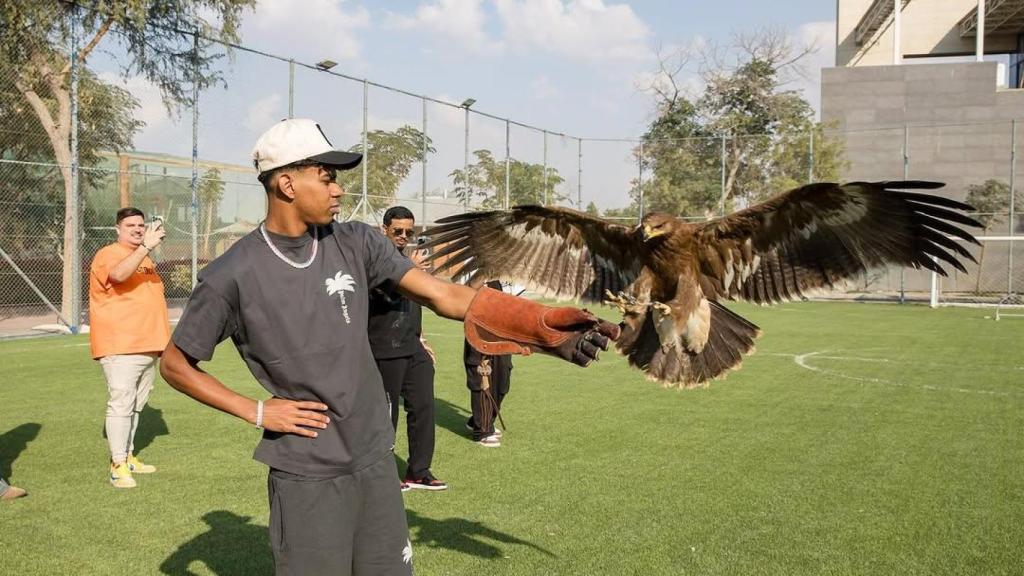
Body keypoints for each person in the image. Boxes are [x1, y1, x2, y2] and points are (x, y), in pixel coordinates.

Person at [159, 118, 618, 576]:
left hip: (376, 456)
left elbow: (442, 295)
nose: (338, 189)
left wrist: (539, 324)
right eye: (326, 177)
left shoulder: (356, 241)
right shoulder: (232, 273)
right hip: (307, 470)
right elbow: (176, 365)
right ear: (287, 184)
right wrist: (257, 411)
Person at [89, 207, 169, 489]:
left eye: (140, 225)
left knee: (136, 406)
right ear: (118, 229)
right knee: (122, 403)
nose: (137, 229)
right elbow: (119, 275)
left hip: (148, 344)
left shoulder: (145, 258)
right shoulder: (108, 253)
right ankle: (117, 464)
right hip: (121, 345)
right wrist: (146, 246)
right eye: (130, 225)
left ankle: (128, 456)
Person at [369, 206, 445, 491]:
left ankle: (419, 471)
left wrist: (421, 339)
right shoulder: (374, 260)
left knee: (424, 408)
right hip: (384, 348)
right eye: (397, 231)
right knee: (386, 415)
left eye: (409, 232)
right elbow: (381, 297)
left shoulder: (407, 262)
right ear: (384, 230)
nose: (403, 236)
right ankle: (385, 473)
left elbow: (415, 304)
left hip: (412, 347)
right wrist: (410, 270)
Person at [464, 280, 513, 448]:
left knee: (502, 379)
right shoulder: (479, 273)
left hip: (503, 330)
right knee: (483, 378)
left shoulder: (502, 276)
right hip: (480, 328)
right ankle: (482, 430)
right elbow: (467, 292)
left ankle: (479, 420)